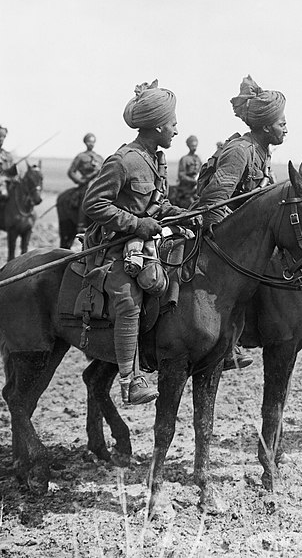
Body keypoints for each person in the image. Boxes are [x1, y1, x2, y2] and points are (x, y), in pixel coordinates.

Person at [82, 79, 185, 405]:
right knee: (129, 300)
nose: (176, 130)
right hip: (114, 247)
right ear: (156, 125)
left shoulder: (157, 159)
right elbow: (94, 204)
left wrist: (187, 214)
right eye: (172, 123)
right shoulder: (123, 160)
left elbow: (158, 204)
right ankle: (130, 380)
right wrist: (137, 223)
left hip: (148, 245)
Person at [191, 74, 287, 368]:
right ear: (266, 125)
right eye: (281, 123)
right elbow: (214, 202)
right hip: (220, 237)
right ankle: (227, 342)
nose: (286, 128)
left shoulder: (262, 152)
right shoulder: (240, 151)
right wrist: (234, 245)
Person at [67, 133, 103, 231]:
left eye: (92, 142)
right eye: (89, 142)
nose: (91, 144)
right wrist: (79, 181)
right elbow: (71, 172)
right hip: (86, 183)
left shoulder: (99, 158)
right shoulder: (81, 157)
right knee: (86, 195)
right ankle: (81, 223)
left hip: (98, 183)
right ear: (85, 143)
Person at [175, 135, 202, 208]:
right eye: (192, 145)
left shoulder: (198, 158)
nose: (194, 147)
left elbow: (202, 171)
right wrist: (193, 181)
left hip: (197, 189)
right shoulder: (184, 159)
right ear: (188, 146)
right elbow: (181, 176)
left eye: (195, 145)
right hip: (186, 190)